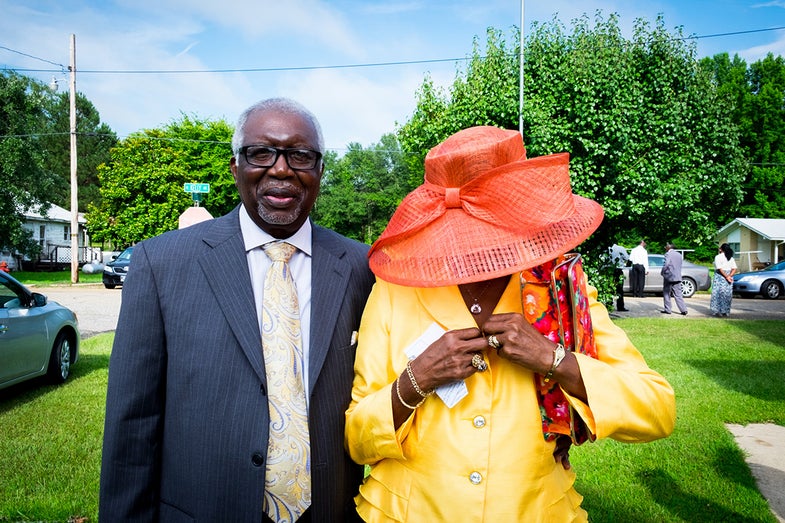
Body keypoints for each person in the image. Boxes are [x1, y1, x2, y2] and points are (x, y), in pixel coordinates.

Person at [345, 126, 676, 521]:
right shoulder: (395, 289)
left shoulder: (557, 287)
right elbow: (358, 440)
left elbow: (657, 408)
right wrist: (417, 379)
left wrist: (554, 359)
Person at [99, 98, 375, 522]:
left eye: (300, 155)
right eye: (261, 153)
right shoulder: (161, 265)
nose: (281, 169)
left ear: (319, 171)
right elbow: (132, 426)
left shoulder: (361, 267)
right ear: (235, 167)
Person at [661, 242, 688, 315]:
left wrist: (662, 272)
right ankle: (683, 310)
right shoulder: (679, 255)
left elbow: (666, 264)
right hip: (678, 276)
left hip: (669, 277)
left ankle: (668, 309)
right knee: (678, 294)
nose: (665, 248)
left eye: (665, 246)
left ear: (668, 247)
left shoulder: (668, 254)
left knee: (667, 293)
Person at [710, 243, 737, 317]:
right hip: (729, 276)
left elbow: (719, 268)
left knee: (718, 294)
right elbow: (734, 268)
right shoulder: (731, 257)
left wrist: (726, 276)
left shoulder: (718, 257)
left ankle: (717, 310)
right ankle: (726, 311)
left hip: (720, 276)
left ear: (721, 249)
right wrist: (730, 276)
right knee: (727, 294)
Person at [609, 244, 629, 311]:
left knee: (610, 288)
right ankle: (620, 306)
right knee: (619, 290)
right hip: (618, 269)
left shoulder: (607, 248)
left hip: (609, 270)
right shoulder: (620, 248)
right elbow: (627, 257)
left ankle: (608, 304)